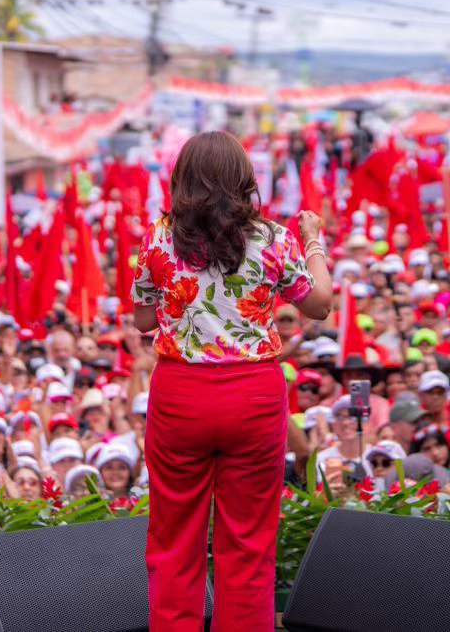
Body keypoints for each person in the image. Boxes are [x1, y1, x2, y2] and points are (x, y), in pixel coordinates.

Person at [133, 131, 331, 631]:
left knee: (174, 540)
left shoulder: (158, 238)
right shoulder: (273, 239)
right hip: (253, 397)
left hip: (181, 395)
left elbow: (142, 321)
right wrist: (313, 242)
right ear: (244, 180)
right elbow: (319, 305)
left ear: (183, 179)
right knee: (248, 543)